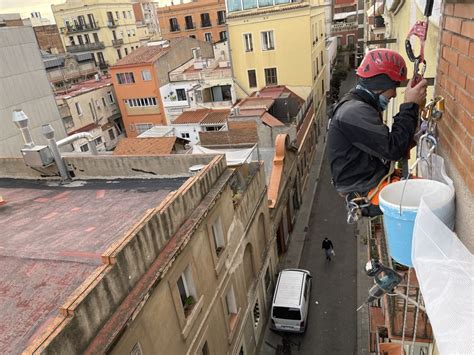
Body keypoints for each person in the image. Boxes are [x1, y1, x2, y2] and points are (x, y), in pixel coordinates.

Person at [328, 48, 428, 219]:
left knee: (425, 191)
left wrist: (411, 130)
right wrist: (410, 105)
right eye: (394, 87)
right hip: (365, 189)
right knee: (429, 199)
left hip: (369, 180)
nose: (395, 93)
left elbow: (385, 144)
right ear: (381, 84)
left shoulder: (359, 105)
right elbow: (393, 149)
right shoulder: (354, 112)